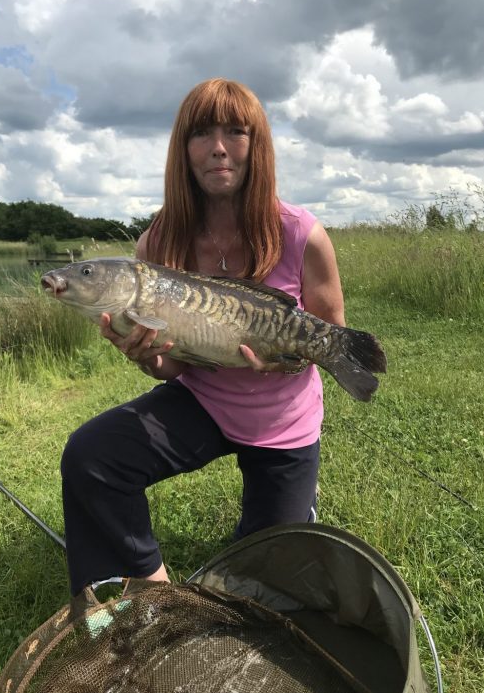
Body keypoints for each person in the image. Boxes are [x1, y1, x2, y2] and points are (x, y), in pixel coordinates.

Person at [60, 78, 345, 595]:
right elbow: (174, 366)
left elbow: (333, 339)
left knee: (265, 582)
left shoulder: (304, 234)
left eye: (236, 131)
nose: (218, 147)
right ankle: (146, 591)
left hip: (282, 420)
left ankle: (291, 502)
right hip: (204, 402)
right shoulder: (160, 239)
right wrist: (149, 360)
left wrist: (283, 360)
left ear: (256, 145)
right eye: (201, 134)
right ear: (182, 149)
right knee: (90, 454)